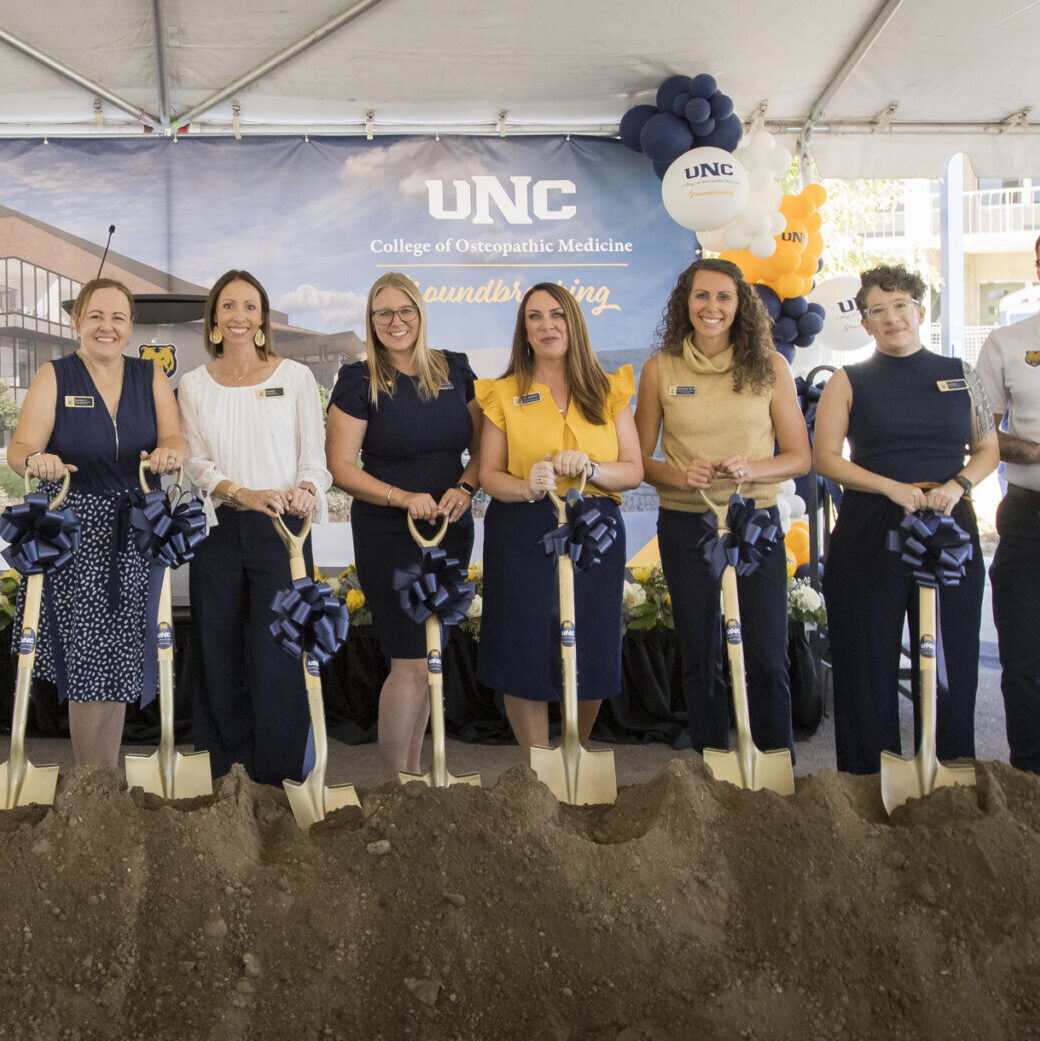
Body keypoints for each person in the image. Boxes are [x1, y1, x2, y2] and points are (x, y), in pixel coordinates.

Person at [814, 263, 999, 774]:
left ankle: (951, 774)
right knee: (865, 663)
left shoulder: (964, 376)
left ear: (921, 311)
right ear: (866, 323)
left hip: (948, 531)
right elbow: (826, 458)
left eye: (900, 306)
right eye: (878, 311)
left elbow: (987, 449)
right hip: (869, 533)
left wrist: (956, 487)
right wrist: (890, 488)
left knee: (950, 660)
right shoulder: (848, 381)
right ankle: (865, 781)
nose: (891, 318)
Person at [634, 257, 810, 758]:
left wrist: (755, 469)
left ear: (740, 306)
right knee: (699, 650)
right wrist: (679, 474)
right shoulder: (659, 369)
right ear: (685, 303)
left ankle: (776, 761)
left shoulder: (770, 366)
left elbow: (799, 457)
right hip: (687, 523)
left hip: (753, 524)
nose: (712, 307)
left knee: (766, 654)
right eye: (701, 296)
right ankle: (711, 763)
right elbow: (640, 461)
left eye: (724, 298)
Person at [6, 277, 185, 767]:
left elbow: (174, 437)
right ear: (77, 322)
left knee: (123, 659)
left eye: (118, 318)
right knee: (87, 660)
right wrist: (35, 463)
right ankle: (92, 782)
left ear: (130, 326)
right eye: (96, 316)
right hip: (74, 532)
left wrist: (170, 452)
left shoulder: (149, 375)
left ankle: (103, 781)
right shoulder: (55, 374)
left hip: (137, 530)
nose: (107, 327)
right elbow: (19, 449)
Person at [476, 283, 642, 762]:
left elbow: (632, 470)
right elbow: (489, 474)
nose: (547, 325)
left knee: (591, 636)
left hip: (596, 527)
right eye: (535, 317)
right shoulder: (503, 393)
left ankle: (577, 752)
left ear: (574, 323)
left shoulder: (610, 390)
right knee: (523, 638)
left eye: (557, 315)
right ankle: (538, 763)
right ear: (524, 330)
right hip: (522, 526)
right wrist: (528, 485)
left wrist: (591, 468)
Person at [325, 272, 481, 782]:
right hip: (390, 533)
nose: (396, 322)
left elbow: (485, 449)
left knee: (431, 656)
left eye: (405, 310)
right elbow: (341, 468)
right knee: (411, 660)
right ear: (371, 321)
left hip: (449, 529)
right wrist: (403, 498)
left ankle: (415, 775)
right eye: (383, 313)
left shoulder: (455, 369)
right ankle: (395, 784)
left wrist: (466, 487)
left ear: (420, 312)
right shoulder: (357, 378)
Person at [178, 270, 331, 786]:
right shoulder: (195, 385)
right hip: (219, 531)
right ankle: (228, 780)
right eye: (228, 306)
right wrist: (239, 492)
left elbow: (315, 459)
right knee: (218, 654)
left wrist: (306, 491)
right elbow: (195, 463)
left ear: (262, 318)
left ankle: (282, 780)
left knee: (280, 657)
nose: (239, 316)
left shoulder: (296, 377)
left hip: (284, 535)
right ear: (214, 319)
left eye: (249, 306)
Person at [975, 233, 1040, 774]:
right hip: (1028, 516)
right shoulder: (1005, 342)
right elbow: (978, 433)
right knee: (1023, 661)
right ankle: (1028, 781)